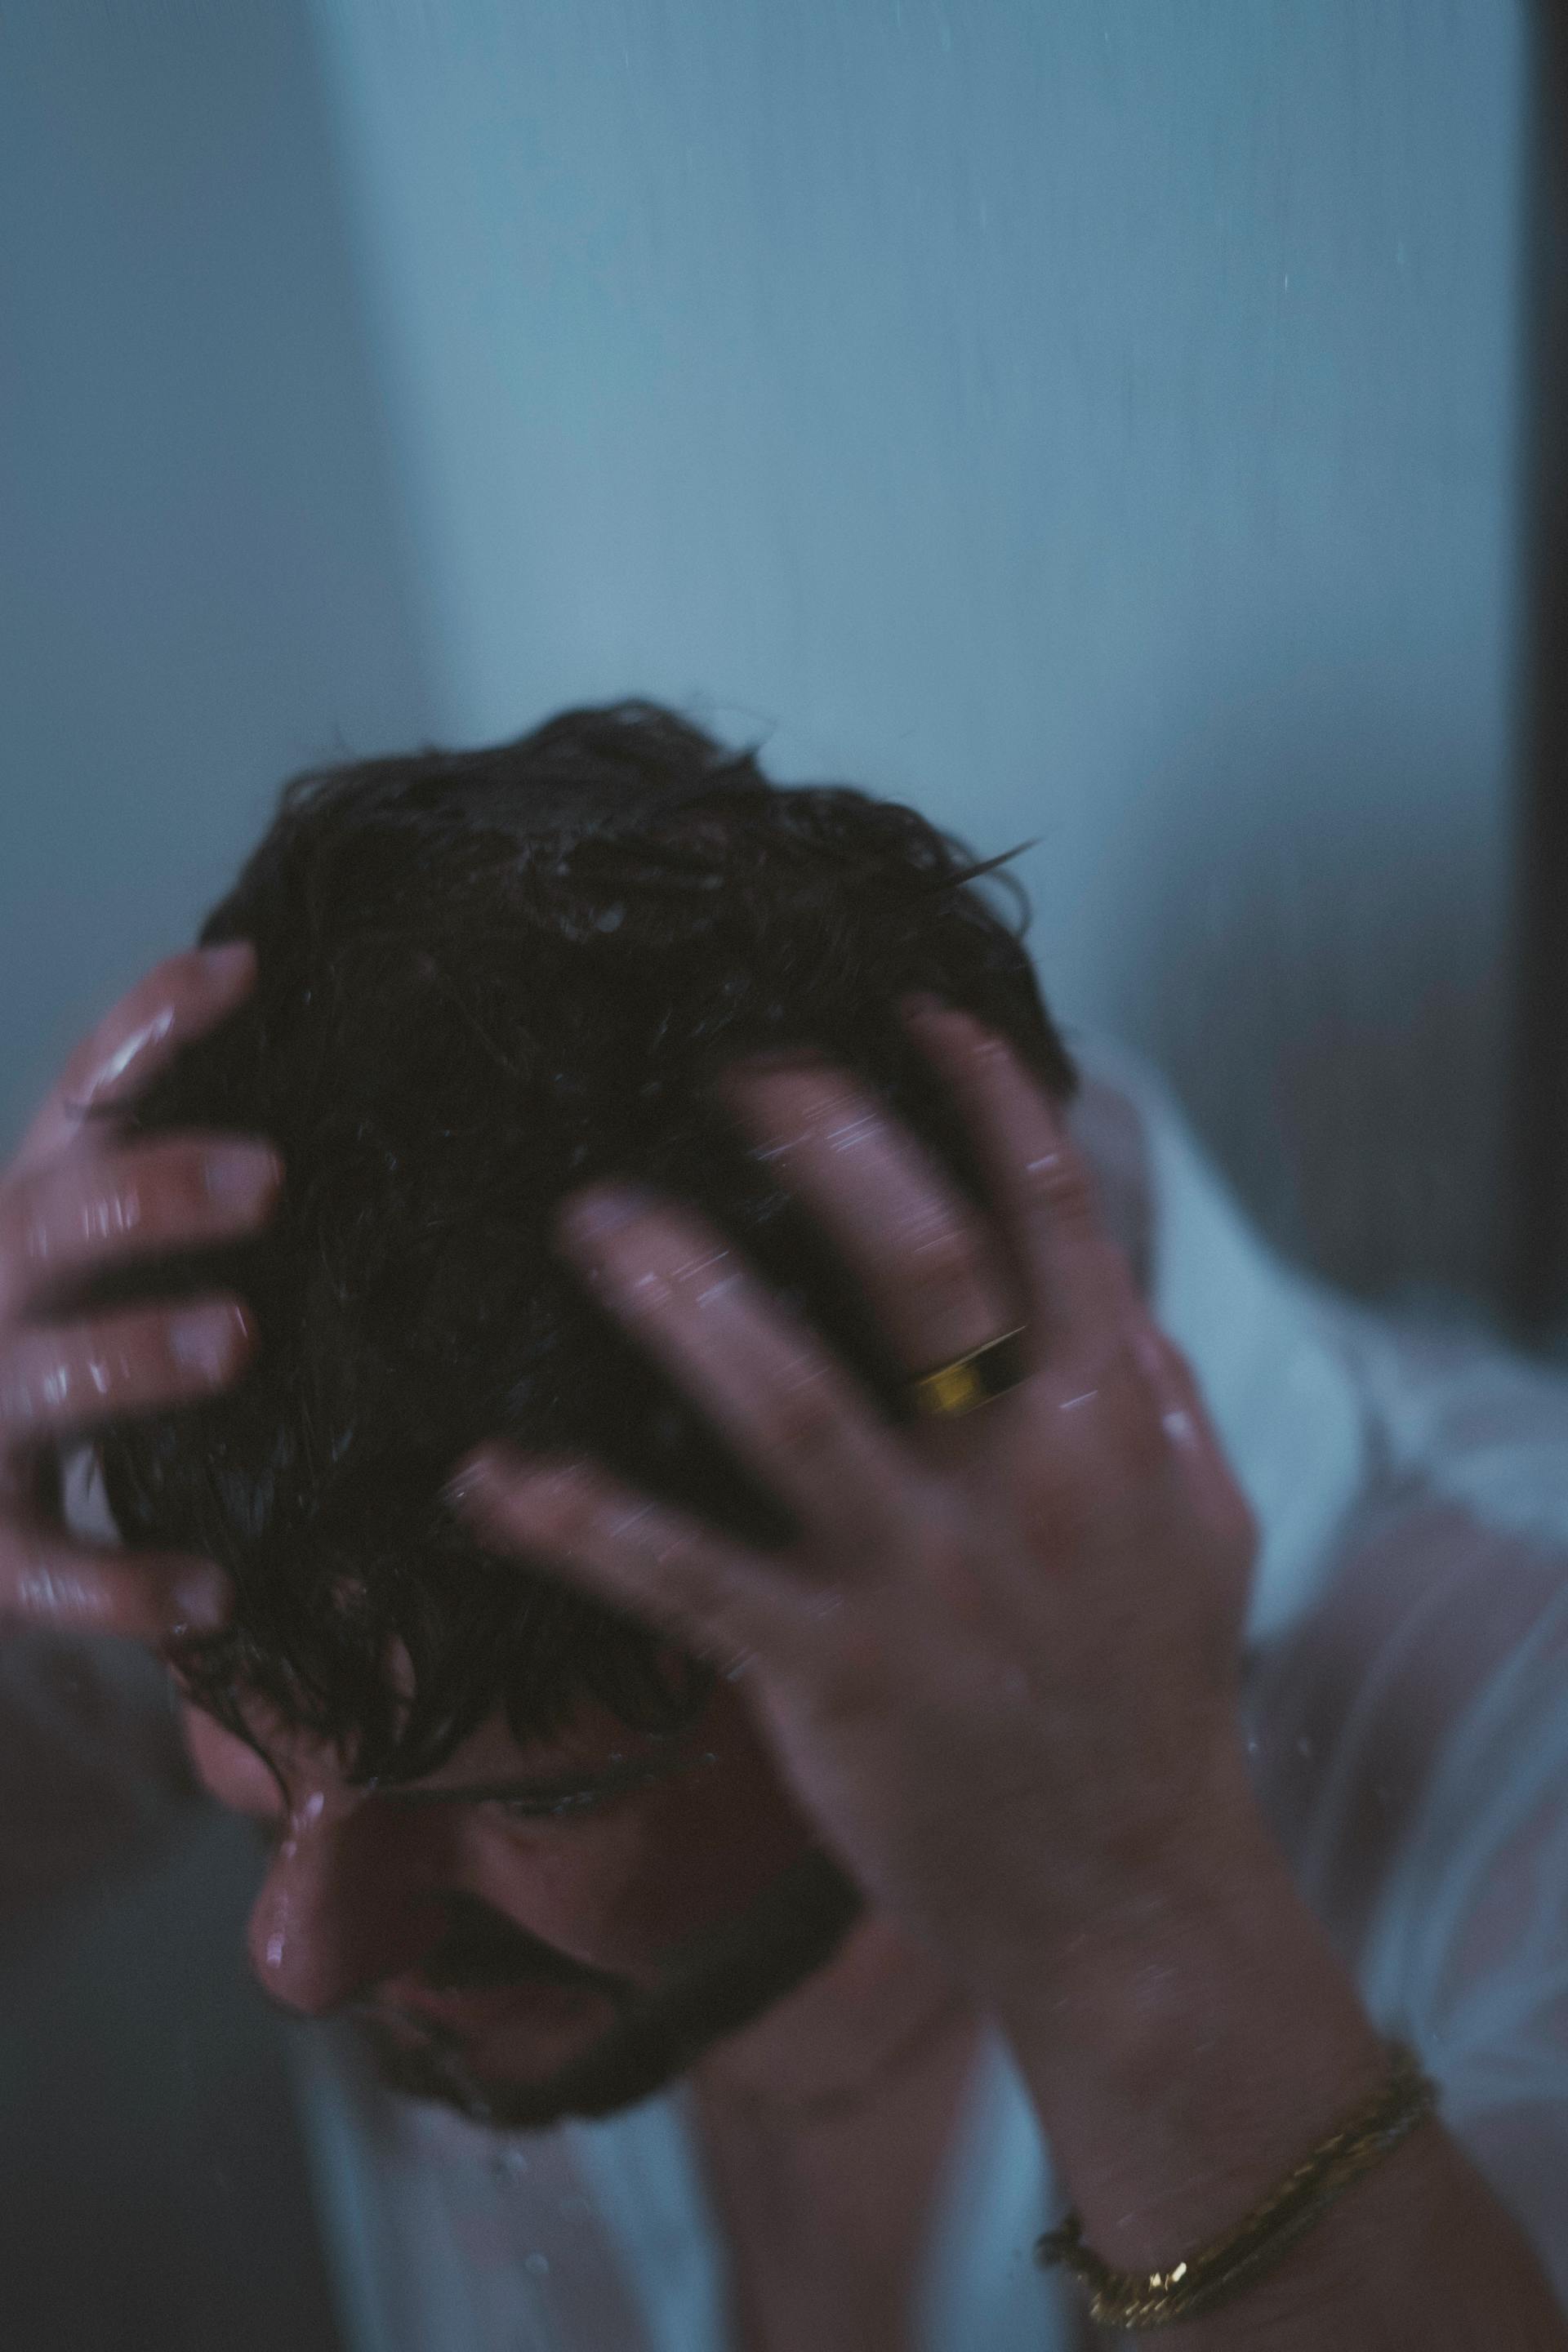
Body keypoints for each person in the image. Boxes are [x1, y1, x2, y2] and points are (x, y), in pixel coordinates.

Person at [2, 699, 1567, 2351]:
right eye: (240, 1723)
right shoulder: (284, 1519)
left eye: (546, 1789)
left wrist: (1133, 1926)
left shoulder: (1520, 1725)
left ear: (943, 1573)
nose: (298, 1955)